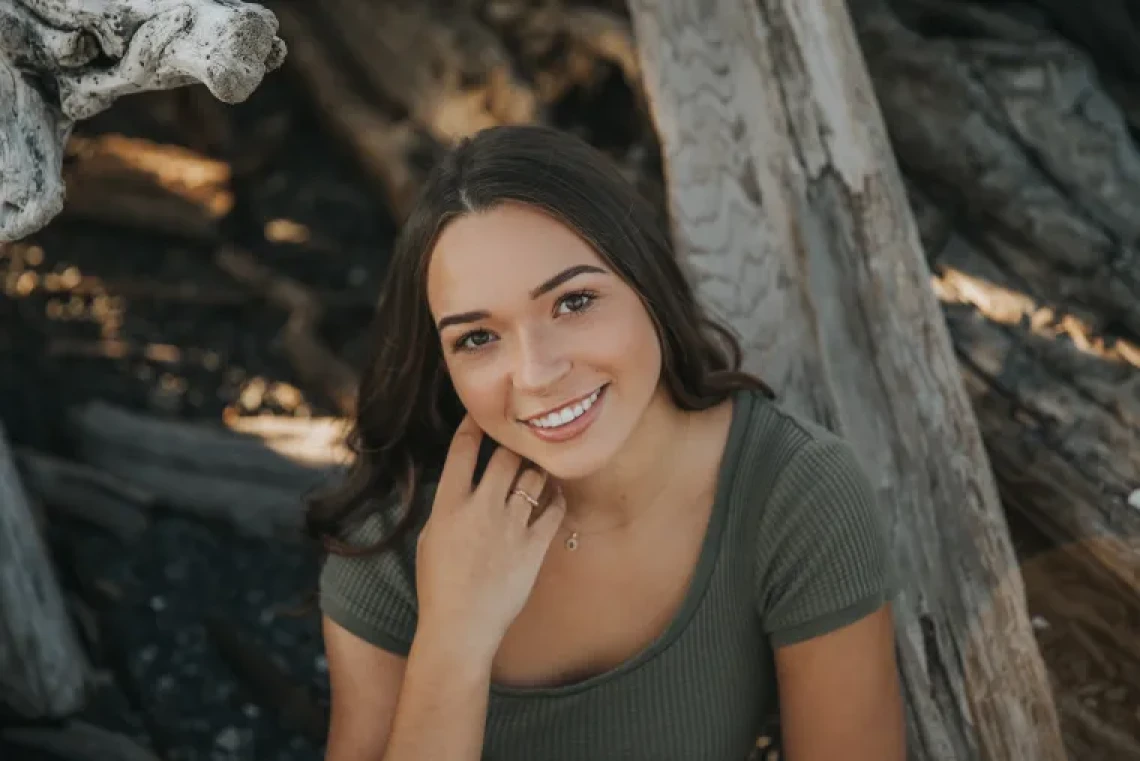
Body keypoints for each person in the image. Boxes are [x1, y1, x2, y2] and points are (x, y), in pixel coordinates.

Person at [307, 124, 907, 761]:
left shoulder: (793, 495)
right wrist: (454, 637)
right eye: (478, 338)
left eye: (574, 302)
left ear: (647, 284)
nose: (536, 373)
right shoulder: (393, 548)